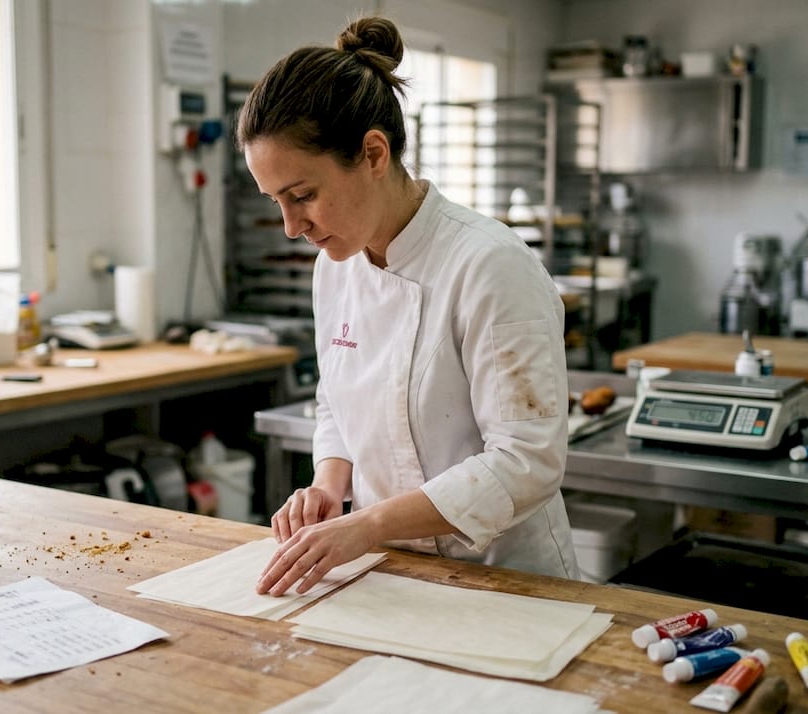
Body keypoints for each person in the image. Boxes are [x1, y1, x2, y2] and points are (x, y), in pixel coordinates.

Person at [239, 15, 580, 597]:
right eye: (277, 202)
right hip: (392, 573)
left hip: (506, 582)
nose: (292, 227)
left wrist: (368, 525)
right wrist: (328, 484)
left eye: (303, 196)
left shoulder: (489, 264)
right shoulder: (335, 266)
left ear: (374, 153)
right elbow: (337, 401)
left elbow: (528, 461)